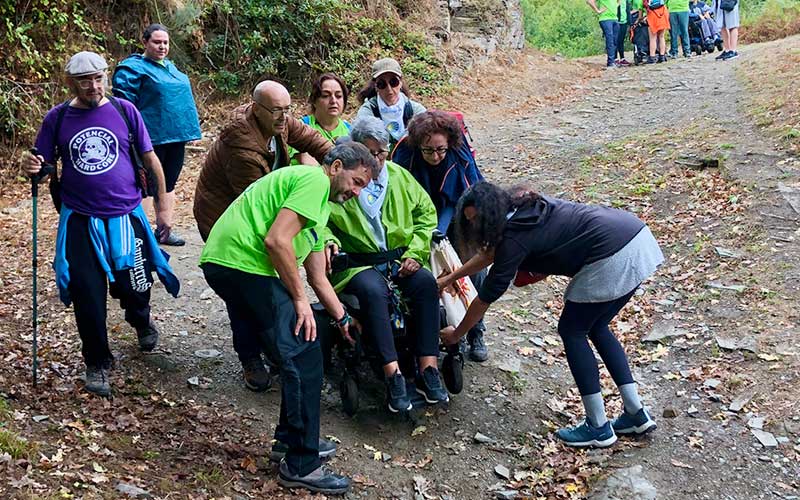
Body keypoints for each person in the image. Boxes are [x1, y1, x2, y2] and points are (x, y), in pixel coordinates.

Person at [199, 142, 378, 495]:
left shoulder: (318, 206)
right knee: (303, 353)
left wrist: (341, 319)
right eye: (356, 182)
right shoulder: (313, 182)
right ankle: (301, 463)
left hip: (232, 265)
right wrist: (298, 301)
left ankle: (290, 441)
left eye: (362, 188)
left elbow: (316, 275)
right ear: (336, 166)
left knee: (298, 349)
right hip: (241, 264)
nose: (356, 193)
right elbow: (277, 241)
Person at [439, 182, 663, 448]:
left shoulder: (513, 237)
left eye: (475, 220)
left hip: (610, 253)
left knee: (573, 331)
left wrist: (457, 333)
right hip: (636, 238)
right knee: (597, 326)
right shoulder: (523, 207)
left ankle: (598, 427)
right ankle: (635, 413)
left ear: (489, 214)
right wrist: (450, 278)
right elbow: (490, 255)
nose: (474, 226)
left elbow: (485, 298)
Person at [23, 51, 179, 397]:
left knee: (134, 285)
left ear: (106, 76)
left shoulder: (125, 111)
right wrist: (32, 167)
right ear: (71, 83)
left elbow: (151, 160)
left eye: (98, 77)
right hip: (80, 218)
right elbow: (42, 163)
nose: (93, 85)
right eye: (84, 80)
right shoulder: (58, 118)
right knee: (86, 293)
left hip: (126, 214)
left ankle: (140, 319)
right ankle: (97, 362)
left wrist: (163, 209)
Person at [323, 117, 449, 413]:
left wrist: (415, 253)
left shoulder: (401, 177)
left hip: (399, 259)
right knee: (373, 291)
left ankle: (428, 368)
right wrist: (330, 242)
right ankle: (392, 372)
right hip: (357, 263)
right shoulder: (340, 183)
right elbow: (321, 222)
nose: (377, 160)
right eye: (370, 153)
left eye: (382, 153)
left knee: (425, 285)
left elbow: (426, 216)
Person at [391, 110, 488, 362]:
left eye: (440, 150)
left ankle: (475, 328)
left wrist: (441, 229)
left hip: (459, 212)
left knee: (472, 267)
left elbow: (461, 196)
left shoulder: (458, 152)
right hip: (417, 217)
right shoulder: (405, 155)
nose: (435, 156)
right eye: (428, 151)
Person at [193, 80, 333, 242]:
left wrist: (339, 160)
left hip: (249, 210)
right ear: (257, 109)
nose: (283, 117)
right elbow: (261, 203)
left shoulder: (279, 121)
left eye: (287, 109)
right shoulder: (241, 151)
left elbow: (311, 139)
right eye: (276, 110)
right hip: (220, 219)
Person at [113, 23, 202, 246]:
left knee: (169, 183)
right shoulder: (132, 68)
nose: (162, 47)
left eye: (165, 42)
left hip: (176, 136)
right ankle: (137, 234)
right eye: (157, 42)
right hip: (148, 139)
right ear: (145, 42)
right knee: (145, 186)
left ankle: (164, 229)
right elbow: (123, 105)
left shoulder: (170, 67)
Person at [356, 58, 425, 151]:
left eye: (393, 82)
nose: (389, 89)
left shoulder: (415, 110)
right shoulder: (367, 111)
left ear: (400, 83)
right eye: (382, 84)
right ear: (376, 86)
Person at [290, 73, 352, 165]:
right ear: (314, 101)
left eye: (338, 96)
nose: (333, 101)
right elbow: (307, 163)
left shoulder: (350, 131)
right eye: (325, 95)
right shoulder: (301, 127)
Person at [586, 0, 620, 68]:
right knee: (610, 39)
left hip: (615, 18)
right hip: (605, 19)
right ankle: (610, 62)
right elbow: (589, 1)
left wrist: (616, 5)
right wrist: (598, 11)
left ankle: (613, 60)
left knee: (615, 40)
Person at [616, 0, 633, 65]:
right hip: (616, 22)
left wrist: (630, 23)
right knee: (615, 40)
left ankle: (622, 58)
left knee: (621, 41)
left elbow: (627, 10)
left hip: (624, 22)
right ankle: (615, 58)